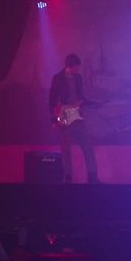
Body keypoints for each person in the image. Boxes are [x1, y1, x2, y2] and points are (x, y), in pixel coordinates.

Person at [48, 53, 99, 184]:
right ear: (70, 66)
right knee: (66, 148)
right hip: (65, 114)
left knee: (87, 144)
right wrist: (53, 120)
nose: (78, 69)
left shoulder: (78, 78)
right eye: (76, 67)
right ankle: (68, 178)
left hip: (77, 114)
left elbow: (81, 97)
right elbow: (52, 100)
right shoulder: (58, 79)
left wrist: (94, 103)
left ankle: (92, 176)